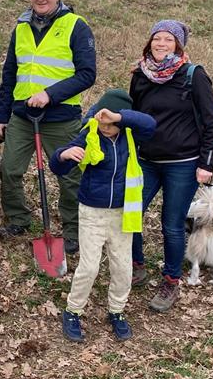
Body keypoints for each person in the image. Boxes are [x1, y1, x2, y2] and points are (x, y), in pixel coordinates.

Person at [0, 0, 96, 253]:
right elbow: (9, 74)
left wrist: (50, 95)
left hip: (61, 118)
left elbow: (87, 74)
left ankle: (73, 231)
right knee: (9, 169)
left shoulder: (76, 26)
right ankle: (18, 218)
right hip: (22, 116)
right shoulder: (21, 28)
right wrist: (2, 115)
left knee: (69, 176)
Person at [129, 19, 213, 313]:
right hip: (146, 160)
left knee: (171, 224)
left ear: (178, 45)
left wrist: (206, 163)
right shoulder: (140, 74)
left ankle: (171, 280)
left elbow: (211, 122)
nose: (161, 44)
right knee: (130, 213)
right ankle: (136, 266)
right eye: (157, 38)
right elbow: (134, 115)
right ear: (150, 42)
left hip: (183, 163)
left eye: (169, 39)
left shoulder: (193, 75)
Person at [49, 90, 156, 342]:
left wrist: (118, 117)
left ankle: (116, 310)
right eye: (102, 122)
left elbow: (150, 124)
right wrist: (63, 155)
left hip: (122, 213)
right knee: (89, 267)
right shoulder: (90, 134)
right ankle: (73, 311)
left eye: (110, 124)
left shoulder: (131, 134)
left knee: (122, 267)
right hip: (92, 213)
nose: (104, 128)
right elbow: (57, 166)